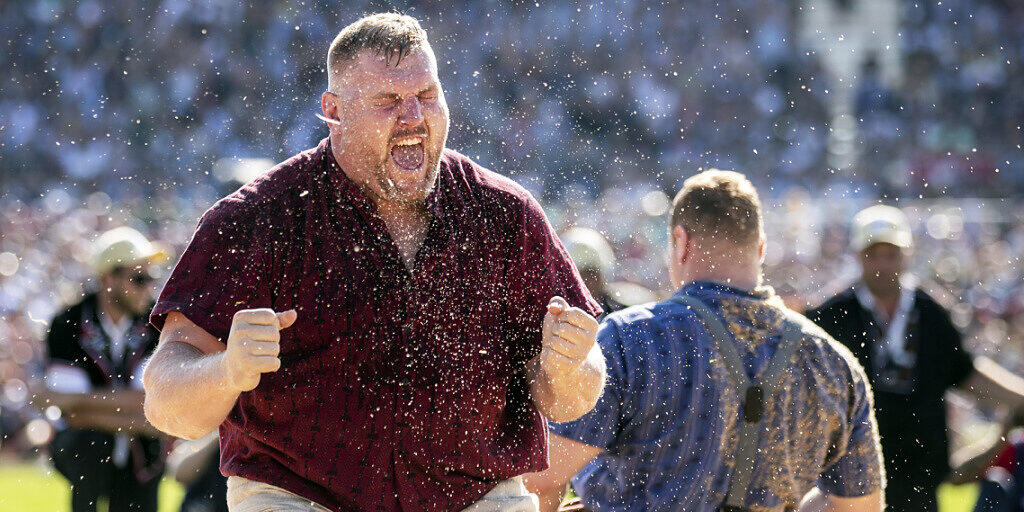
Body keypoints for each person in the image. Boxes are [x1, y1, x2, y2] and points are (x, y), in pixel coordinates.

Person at [142, 13, 605, 512]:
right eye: (388, 102)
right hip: (299, 495)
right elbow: (166, 404)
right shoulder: (257, 220)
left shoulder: (506, 214)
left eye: (427, 95)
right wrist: (227, 370)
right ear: (334, 111)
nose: (413, 117)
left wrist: (569, 367)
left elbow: (572, 397)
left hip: (476, 493)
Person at [524, 170, 885, 512]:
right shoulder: (833, 363)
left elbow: (543, 479)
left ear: (681, 242)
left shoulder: (628, 338)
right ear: (759, 249)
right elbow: (859, 506)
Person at [807, 205, 1024, 512]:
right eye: (873, 254)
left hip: (921, 474)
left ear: (906, 254)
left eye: (891, 254)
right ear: (857, 255)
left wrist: (1018, 397)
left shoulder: (932, 312)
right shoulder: (831, 316)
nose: (882, 264)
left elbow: (963, 372)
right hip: (851, 477)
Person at [43, 226, 168, 512]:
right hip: (83, 447)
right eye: (139, 279)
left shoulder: (157, 323)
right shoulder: (67, 324)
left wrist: (82, 404)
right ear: (108, 279)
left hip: (142, 453)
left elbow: (149, 405)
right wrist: (138, 419)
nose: (149, 288)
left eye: (152, 279)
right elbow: (73, 417)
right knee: (92, 442)